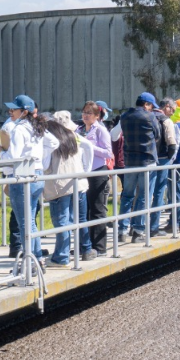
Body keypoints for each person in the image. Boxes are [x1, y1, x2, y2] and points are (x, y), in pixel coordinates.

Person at [0, 94, 47, 264]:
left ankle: (30, 262)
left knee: (24, 223)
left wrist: (1, 152)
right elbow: (53, 144)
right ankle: (37, 258)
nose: (10, 112)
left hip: (22, 177)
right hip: (38, 174)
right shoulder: (37, 127)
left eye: (14, 109)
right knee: (30, 221)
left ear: (24, 112)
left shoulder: (19, 129)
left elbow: (13, 157)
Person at [42, 115, 89, 268]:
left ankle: (61, 257)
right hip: (77, 183)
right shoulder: (71, 136)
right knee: (73, 220)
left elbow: (45, 165)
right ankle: (74, 251)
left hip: (59, 186)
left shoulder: (50, 141)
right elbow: (87, 149)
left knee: (62, 222)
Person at [118, 92, 161, 241]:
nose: (152, 109)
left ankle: (122, 230)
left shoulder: (124, 116)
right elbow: (157, 134)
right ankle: (138, 231)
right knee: (144, 196)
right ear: (146, 104)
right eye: (151, 106)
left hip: (130, 161)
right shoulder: (150, 117)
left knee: (127, 195)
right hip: (147, 160)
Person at [78, 101, 113, 257]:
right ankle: (85, 246)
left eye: (89, 113)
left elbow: (108, 153)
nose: (85, 115)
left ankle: (100, 247)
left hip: (98, 172)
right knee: (84, 211)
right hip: (83, 172)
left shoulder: (100, 130)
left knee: (97, 210)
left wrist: (89, 146)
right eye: (84, 112)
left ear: (97, 116)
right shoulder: (79, 130)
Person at [149, 98, 179, 237]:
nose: (172, 113)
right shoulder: (166, 120)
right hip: (161, 159)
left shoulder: (147, 116)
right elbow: (171, 143)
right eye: (172, 110)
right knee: (159, 192)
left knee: (143, 193)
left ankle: (136, 227)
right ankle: (153, 227)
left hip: (146, 159)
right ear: (167, 107)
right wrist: (169, 158)